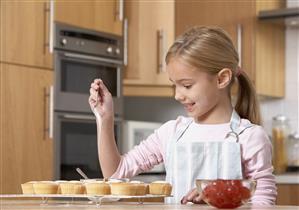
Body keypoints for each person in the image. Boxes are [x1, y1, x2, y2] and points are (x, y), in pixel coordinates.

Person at [89, 26, 277, 205]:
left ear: (222, 79)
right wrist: (105, 118)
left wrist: (222, 198)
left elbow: (264, 204)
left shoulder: (250, 138)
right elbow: (115, 174)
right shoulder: (172, 132)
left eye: (186, 85)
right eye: (174, 85)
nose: (177, 95)